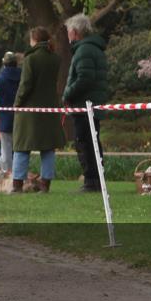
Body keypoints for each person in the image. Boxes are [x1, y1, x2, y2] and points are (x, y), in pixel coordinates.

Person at [12, 26, 65, 193]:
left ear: (34, 40)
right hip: (49, 108)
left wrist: (17, 103)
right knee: (48, 148)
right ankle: (45, 185)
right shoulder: (55, 59)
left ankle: (17, 185)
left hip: (29, 111)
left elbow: (25, 84)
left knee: (21, 147)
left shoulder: (31, 59)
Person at [62, 14, 109, 192]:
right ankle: (96, 180)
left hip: (84, 105)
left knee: (84, 143)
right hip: (91, 104)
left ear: (74, 32)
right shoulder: (93, 49)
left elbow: (84, 78)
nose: (67, 35)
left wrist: (67, 93)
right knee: (92, 142)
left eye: (68, 32)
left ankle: (91, 181)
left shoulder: (83, 51)